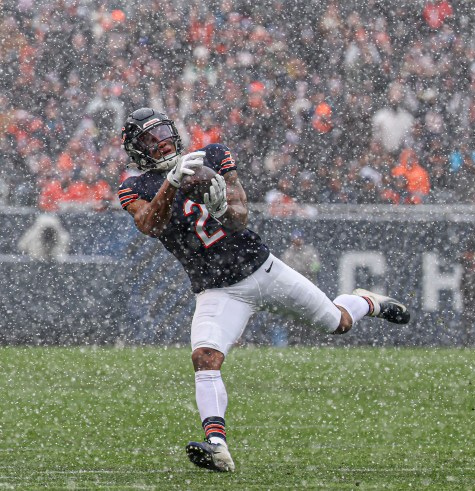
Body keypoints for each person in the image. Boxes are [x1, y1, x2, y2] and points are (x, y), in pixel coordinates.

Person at [117, 107, 411, 473]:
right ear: (137, 150)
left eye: (162, 133)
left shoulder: (211, 155)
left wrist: (221, 203)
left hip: (263, 269)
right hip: (216, 289)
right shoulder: (133, 187)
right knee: (205, 358)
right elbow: (149, 224)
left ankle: (366, 301)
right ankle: (217, 446)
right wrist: (171, 183)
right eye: (150, 139)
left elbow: (241, 216)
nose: (160, 143)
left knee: (338, 323)